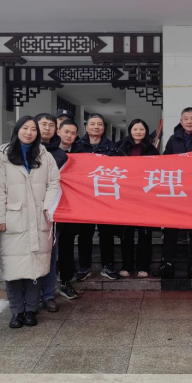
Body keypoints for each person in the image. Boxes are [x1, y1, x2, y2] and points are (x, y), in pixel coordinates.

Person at [0, 116, 61, 329]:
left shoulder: (44, 155)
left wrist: (48, 207)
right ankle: (16, 311)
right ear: (17, 130)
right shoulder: (3, 155)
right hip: (13, 219)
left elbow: (54, 182)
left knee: (36, 267)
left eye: (33, 129)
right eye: (25, 128)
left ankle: (31, 310)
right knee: (13, 268)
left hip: (40, 218)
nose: (29, 132)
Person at [155, 107, 192, 279]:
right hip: (176, 191)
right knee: (170, 229)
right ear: (181, 122)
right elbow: (165, 162)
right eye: (186, 118)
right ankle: (167, 263)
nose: (189, 121)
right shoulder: (173, 139)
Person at [77, 114, 121, 281]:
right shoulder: (77, 146)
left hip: (105, 197)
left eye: (99, 124)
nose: (96, 127)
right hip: (83, 198)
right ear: (86, 127)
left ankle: (108, 266)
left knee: (107, 233)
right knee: (84, 234)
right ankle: (84, 266)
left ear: (104, 128)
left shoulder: (113, 148)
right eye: (92, 124)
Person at [115, 119, 160, 278]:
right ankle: (126, 265)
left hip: (145, 197)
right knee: (126, 234)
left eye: (141, 129)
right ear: (130, 130)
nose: (138, 132)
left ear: (146, 131)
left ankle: (143, 266)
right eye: (135, 129)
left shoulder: (152, 150)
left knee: (144, 234)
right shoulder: (120, 148)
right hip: (125, 196)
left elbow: (158, 171)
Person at [51, 119, 86, 301]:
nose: (69, 135)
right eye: (66, 132)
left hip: (71, 207)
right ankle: (45, 288)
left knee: (67, 245)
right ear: (58, 131)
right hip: (51, 205)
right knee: (48, 247)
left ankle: (66, 281)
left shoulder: (81, 153)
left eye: (73, 133)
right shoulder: (47, 151)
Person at [37, 113, 66, 314]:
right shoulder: (18, 151)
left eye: (51, 125)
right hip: (25, 210)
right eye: (43, 124)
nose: (47, 128)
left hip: (52, 213)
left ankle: (48, 295)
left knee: (50, 255)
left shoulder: (61, 155)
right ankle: (29, 297)